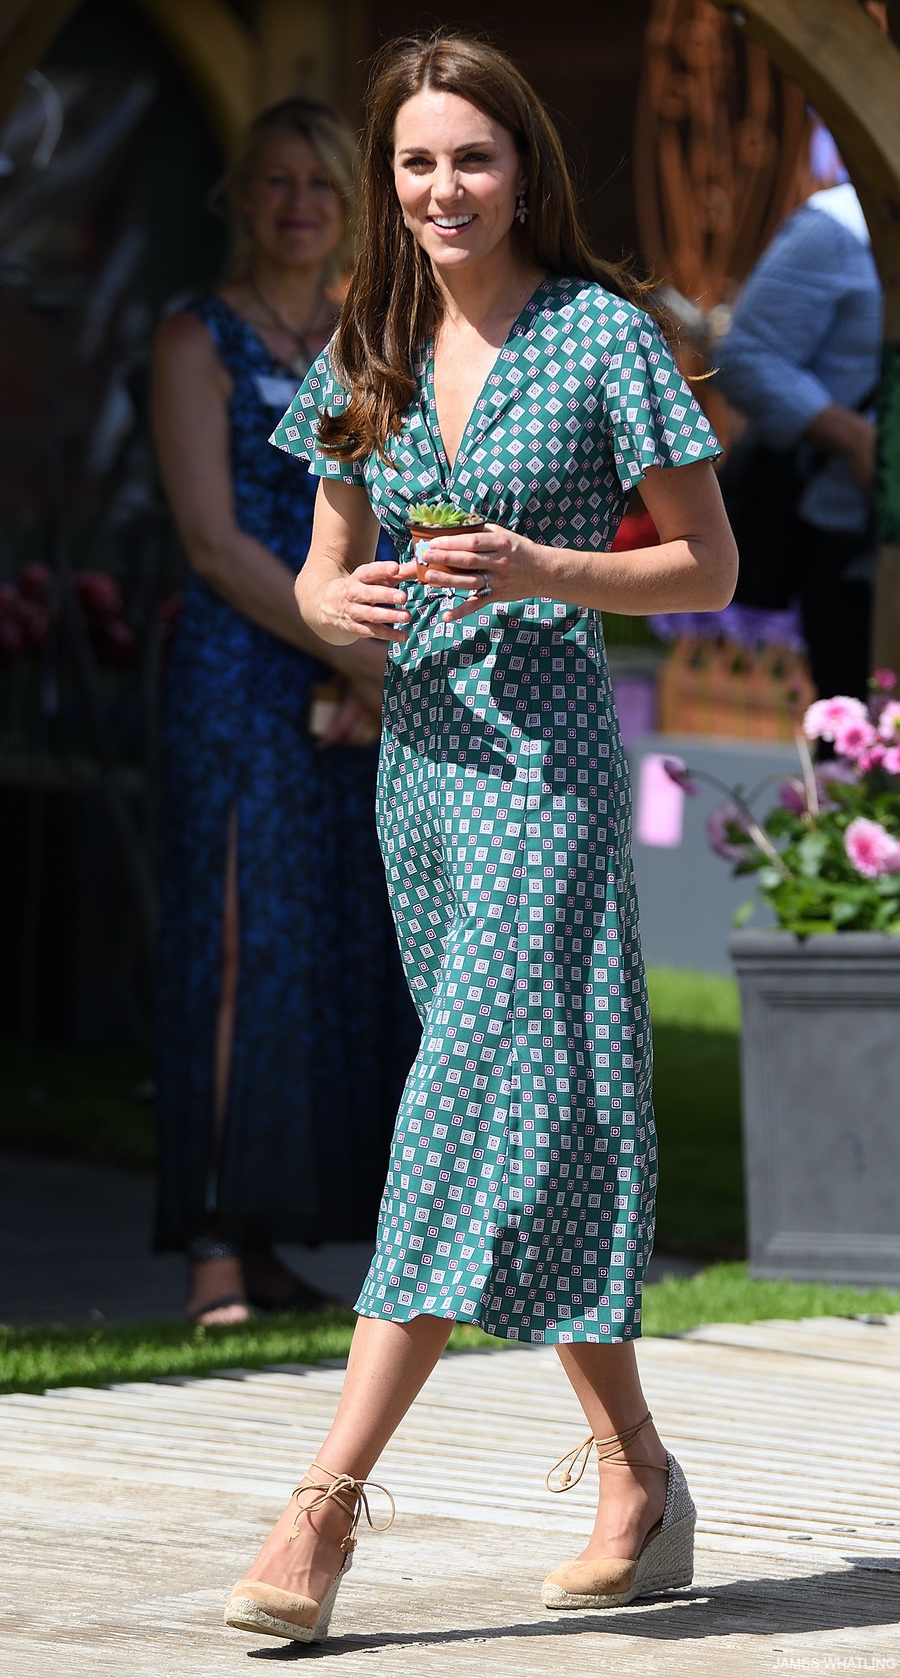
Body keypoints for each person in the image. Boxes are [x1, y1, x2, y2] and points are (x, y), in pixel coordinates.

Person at [224, 35, 736, 1642]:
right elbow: (317, 568)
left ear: (527, 170)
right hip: (424, 779)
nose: (443, 189)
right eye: (417, 163)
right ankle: (638, 1473)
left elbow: (707, 567)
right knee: (537, 1116)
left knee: (451, 1112)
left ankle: (321, 1507)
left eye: (475, 159)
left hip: (550, 775)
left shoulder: (602, 335)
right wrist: (337, 606)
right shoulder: (366, 334)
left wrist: (546, 569)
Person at [152, 98, 420, 1326]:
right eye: (274, 181)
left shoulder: (379, 341)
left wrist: (370, 669)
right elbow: (212, 542)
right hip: (243, 672)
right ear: (237, 198)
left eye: (321, 183)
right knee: (236, 942)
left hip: (352, 673)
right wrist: (353, 655)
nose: (298, 202)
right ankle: (213, 1245)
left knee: (332, 950)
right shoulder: (195, 339)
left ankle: (277, 1232)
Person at [712, 0, 887, 702]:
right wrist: (851, 436)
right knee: (863, 742)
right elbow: (746, 355)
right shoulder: (838, 228)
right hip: (851, 545)